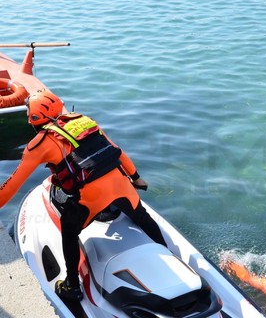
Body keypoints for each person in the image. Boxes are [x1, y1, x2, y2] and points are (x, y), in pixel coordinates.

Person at [0, 90, 167, 301]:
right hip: (123, 186)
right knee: (143, 217)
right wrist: (136, 177)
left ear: (33, 119)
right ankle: (170, 256)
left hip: (90, 198)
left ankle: (72, 286)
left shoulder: (39, 144)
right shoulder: (85, 122)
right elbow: (117, 150)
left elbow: (11, 186)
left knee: (69, 231)